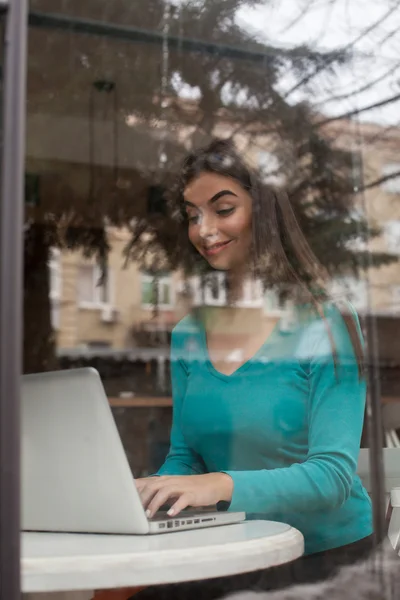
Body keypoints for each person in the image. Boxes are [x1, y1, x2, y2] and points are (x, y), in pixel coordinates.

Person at [133, 138, 373, 599]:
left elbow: (333, 477)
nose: (204, 230)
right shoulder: (188, 333)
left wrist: (216, 485)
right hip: (232, 547)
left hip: (323, 559)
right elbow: (186, 457)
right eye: (192, 215)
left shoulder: (327, 322)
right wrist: (158, 490)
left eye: (223, 209)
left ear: (263, 212)